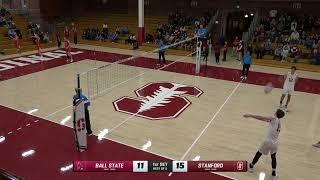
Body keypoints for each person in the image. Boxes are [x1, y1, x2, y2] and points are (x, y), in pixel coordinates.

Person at [244, 109, 286, 180]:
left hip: (267, 141)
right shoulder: (279, 121)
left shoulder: (273, 118)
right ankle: (273, 173)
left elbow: (261, 117)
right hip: (275, 143)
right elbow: (265, 120)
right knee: (273, 157)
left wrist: (250, 115)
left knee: (259, 153)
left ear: (276, 113)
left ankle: (251, 166)